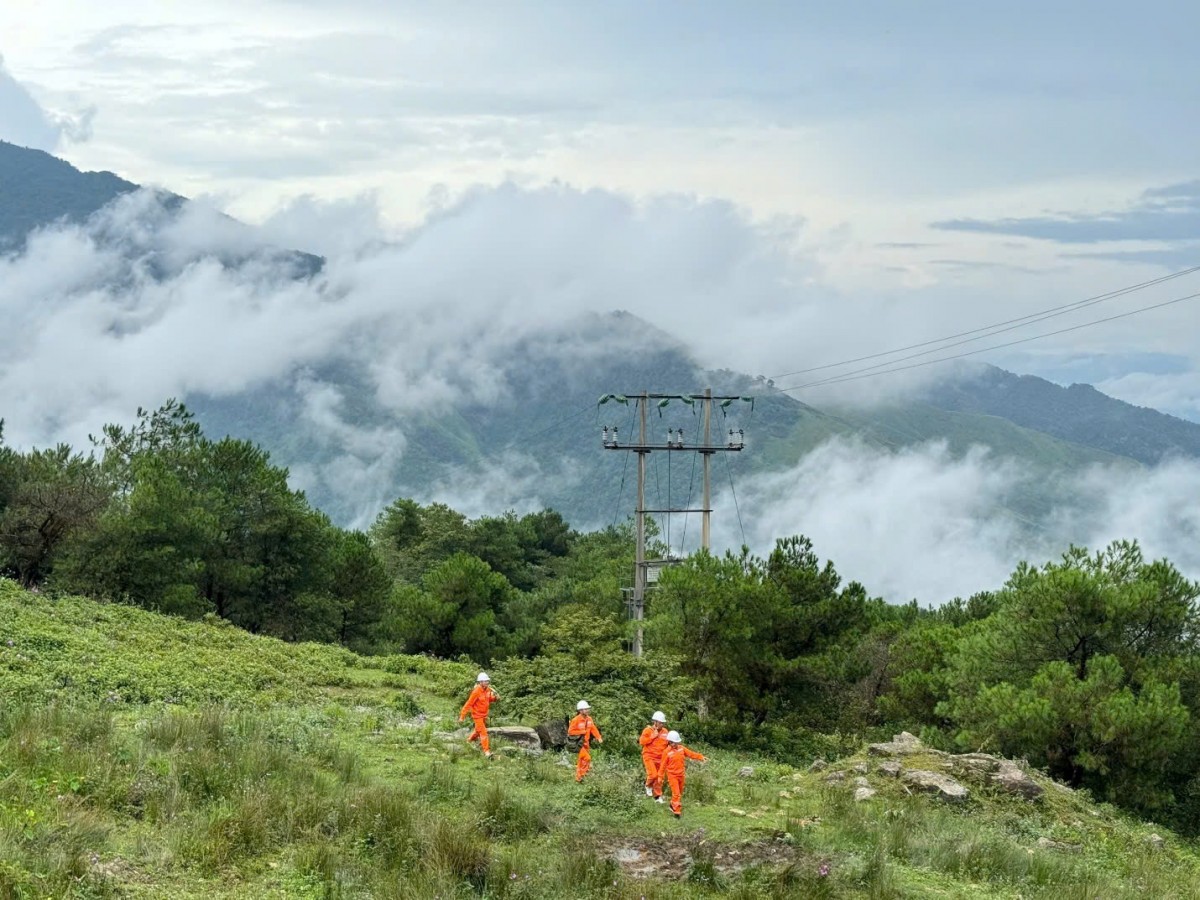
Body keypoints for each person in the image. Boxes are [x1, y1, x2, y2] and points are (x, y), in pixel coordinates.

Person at [656, 730, 707, 818]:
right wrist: (660, 777)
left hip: (681, 775)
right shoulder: (666, 752)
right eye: (674, 743)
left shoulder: (681, 748)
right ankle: (677, 812)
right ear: (669, 742)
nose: (675, 744)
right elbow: (662, 766)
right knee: (676, 794)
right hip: (672, 776)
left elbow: (691, 754)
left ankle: (672, 805)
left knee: (679, 792)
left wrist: (701, 757)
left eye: (676, 742)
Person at [458, 671, 499, 758]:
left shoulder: (487, 690)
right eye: (485, 681)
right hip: (477, 716)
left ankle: (468, 741)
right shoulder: (476, 691)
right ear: (480, 682)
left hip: (484, 715)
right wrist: (462, 716)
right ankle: (487, 752)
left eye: (488, 681)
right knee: (483, 733)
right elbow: (468, 704)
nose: (487, 682)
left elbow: (489, 699)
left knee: (477, 731)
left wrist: (495, 698)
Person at [567, 700, 603, 782]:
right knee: (587, 758)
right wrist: (582, 732)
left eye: (588, 709)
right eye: (586, 709)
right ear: (580, 710)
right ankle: (583, 775)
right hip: (579, 743)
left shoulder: (589, 719)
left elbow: (593, 728)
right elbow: (570, 732)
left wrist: (598, 737)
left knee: (581, 760)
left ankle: (579, 778)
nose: (588, 710)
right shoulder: (575, 720)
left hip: (586, 743)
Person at [638, 711, 670, 800]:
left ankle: (657, 796)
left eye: (663, 723)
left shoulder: (665, 731)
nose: (662, 724)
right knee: (653, 775)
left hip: (660, 758)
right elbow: (641, 742)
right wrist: (652, 736)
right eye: (660, 723)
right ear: (655, 722)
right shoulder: (648, 730)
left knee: (659, 778)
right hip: (649, 756)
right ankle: (647, 785)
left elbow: (668, 744)